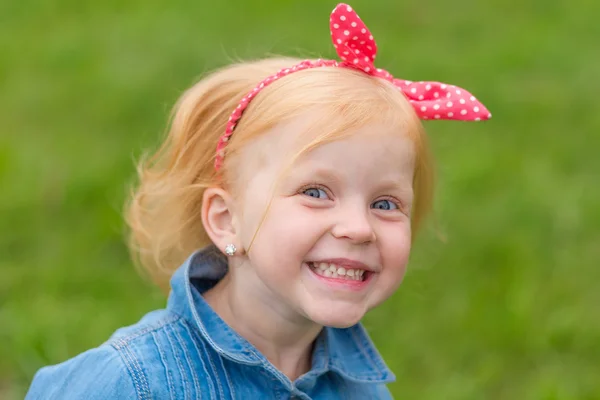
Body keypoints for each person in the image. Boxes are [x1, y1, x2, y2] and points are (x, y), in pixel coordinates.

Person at [26, 3, 490, 399]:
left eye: (385, 204)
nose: (359, 227)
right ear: (227, 221)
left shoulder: (361, 388)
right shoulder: (134, 381)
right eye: (315, 193)